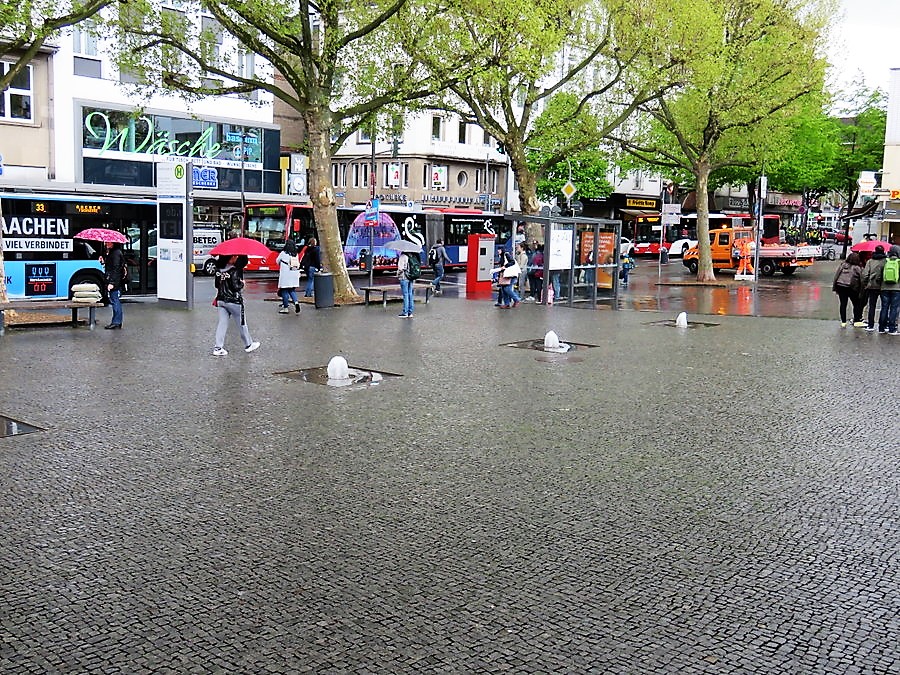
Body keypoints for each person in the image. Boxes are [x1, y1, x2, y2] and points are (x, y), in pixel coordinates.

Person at [212, 254, 260, 355]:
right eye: (234, 256)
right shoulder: (233, 270)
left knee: (222, 323)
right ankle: (248, 344)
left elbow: (216, 285)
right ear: (229, 258)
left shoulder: (218, 270)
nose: (236, 257)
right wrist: (242, 283)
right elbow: (235, 287)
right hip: (234, 301)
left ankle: (218, 347)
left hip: (221, 300)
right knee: (242, 323)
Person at [832, 251, 865, 327]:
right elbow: (862, 279)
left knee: (843, 304)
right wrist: (861, 290)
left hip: (840, 285)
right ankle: (856, 320)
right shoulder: (858, 268)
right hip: (851, 287)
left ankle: (843, 322)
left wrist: (835, 287)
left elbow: (836, 276)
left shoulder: (843, 265)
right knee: (856, 304)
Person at [861, 245, 887, 332]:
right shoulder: (886, 261)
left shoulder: (870, 261)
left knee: (872, 306)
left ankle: (870, 325)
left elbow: (865, 275)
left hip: (872, 286)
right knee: (884, 306)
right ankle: (883, 326)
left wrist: (865, 284)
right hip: (884, 286)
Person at [102, 241, 126, 329]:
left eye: (108, 242)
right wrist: (104, 260)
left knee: (115, 300)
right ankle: (117, 321)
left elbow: (116, 269)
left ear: (113, 243)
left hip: (114, 281)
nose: (106, 244)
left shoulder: (116, 253)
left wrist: (112, 283)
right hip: (114, 280)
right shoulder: (113, 252)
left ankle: (116, 322)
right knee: (114, 299)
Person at [276, 240, 302, 314]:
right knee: (292, 290)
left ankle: (285, 308)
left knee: (284, 291)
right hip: (294, 274)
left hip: (286, 275)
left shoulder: (283, 253)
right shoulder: (295, 254)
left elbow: (277, 261)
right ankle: (296, 302)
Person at [880, 245, 900, 335]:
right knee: (894, 308)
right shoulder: (899, 262)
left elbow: (880, 274)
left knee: (884, 307)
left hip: (884, 288)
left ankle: (881, 328)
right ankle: (892, 328)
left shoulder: (885, 261)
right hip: (897, 288)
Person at [396, 251, 415, 317]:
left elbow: (400, 268)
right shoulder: (411, 256)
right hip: (411, 277)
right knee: (410, 294)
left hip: (404, 277)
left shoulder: (402, 256)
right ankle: (410, 312)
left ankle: (405, 312)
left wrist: (397, 274)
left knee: (405, 295)